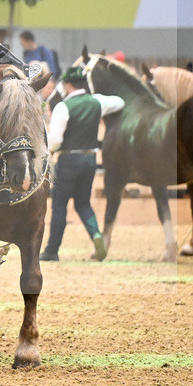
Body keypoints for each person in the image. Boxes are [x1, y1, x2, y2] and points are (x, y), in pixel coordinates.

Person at [40, 66, 125, 263]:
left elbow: (55, 141)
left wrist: (47, 154)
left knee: (59, 206)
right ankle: (96, 235)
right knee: (83, 203)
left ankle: (52, 250)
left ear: (68, 85)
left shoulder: (63, 107)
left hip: (68, 160)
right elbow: (119, 102)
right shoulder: (97, 102)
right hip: (90, 161)